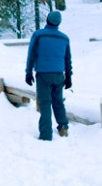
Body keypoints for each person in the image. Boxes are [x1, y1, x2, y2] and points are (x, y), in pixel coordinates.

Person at [25, 10, 72, 141]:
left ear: (47, 20)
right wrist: (69, 77)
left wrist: (28, 72)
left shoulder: (39, 35)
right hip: (59, 75)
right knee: (58, 102)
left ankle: (46, 135)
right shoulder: (64, 38)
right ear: (58, 23)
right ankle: (63, 127)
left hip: (43, 74)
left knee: (45, 104)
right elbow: (67, 59)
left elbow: (31, 55)